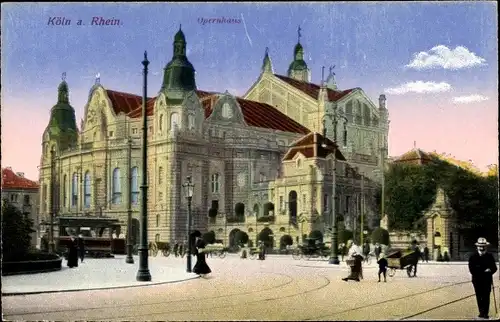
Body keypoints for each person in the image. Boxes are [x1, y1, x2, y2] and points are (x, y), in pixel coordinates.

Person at [468, 237, 498, 319]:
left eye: (483, 246)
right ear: (477, 247)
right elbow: (472, 269)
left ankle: (485, 313)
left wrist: (490, 270)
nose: (482, 248)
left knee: (486, 297)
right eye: (480, 246)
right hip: (477, 281)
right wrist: (484, 271)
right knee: (479, 296)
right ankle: (481, 312)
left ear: (486, 247)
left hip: (487, 281)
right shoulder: (473, 257)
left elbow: (494, 268)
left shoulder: (489, 256)